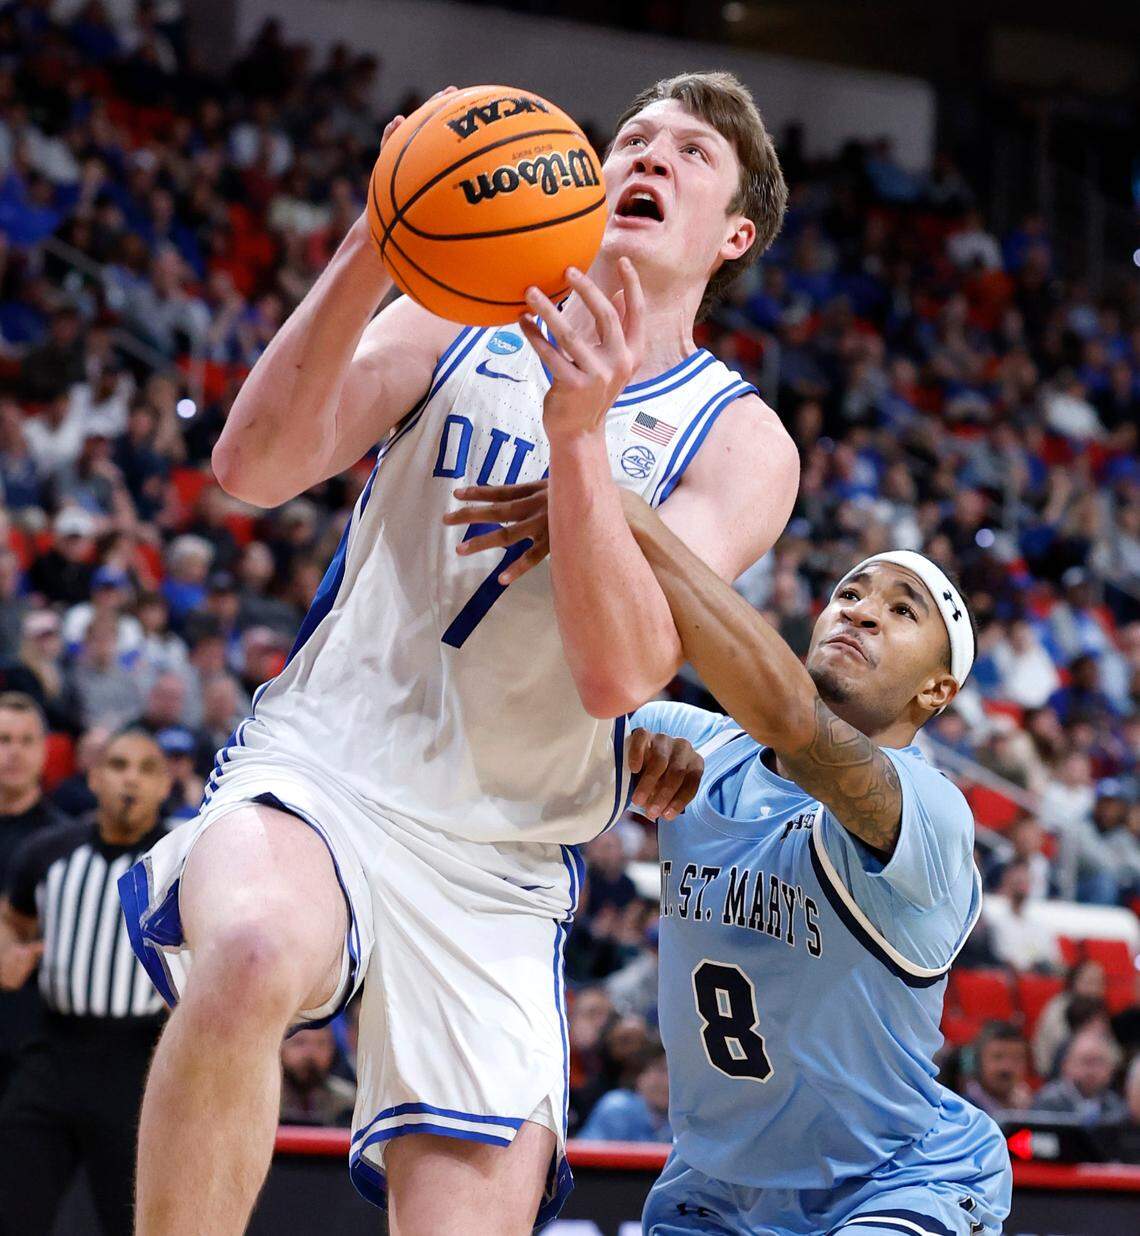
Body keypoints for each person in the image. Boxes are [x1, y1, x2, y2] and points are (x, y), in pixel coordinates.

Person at [118, 71, 794, 1236]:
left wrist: (578, 450)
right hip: (330, 764)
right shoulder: (462, 312)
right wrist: (373, 245)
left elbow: (619, 674)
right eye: (632, 137)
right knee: (251, 951)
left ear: (735, 235)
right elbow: (251, 469)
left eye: (691, 152)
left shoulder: (740, 439)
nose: (648, 155)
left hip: (502, 854)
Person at [457, 493, 1010, 1231]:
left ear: (937, 690)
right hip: (716, 1184)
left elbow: (794, 722)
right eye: (849, 594)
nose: (862, 613)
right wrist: (615, 749)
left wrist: (636, 524)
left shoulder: (933, 811)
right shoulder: (697, 740)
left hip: (895, 1177)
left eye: (902, 610)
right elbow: (523, 716)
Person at [0, 728, 171, 1235]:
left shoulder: (183, 862)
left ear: (165, 786)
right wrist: (9, 951)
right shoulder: (47, 853)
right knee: (13, 1213)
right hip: (53, 1050)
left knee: (134, 1223)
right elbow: (14, 918)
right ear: (93, 777)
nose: (130, 779)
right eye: (118, 765)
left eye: (146, 769)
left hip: (138, 1064)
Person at [0, 694, 64, 1095]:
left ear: (43, 751)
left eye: (26, 741)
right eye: (4, 740)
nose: (14, 752)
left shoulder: (64, 841)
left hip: (31, 1035)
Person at [578, 1041, 672, 1143]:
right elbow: (588, 1150)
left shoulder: (680, 1119)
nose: (668, 1082)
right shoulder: (617, 1107)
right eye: (661, 1071)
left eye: (675, 1074)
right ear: (640, 1074)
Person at [1033, 1027, 1127, 1125]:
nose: (1091, 1071)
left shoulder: (1116, 1107)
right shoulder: (1047, 1102)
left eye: (1099, 1062)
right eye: (1085, 1061)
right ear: (1066, 1065)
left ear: (1111, 1068)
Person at [278, 1024, 356, 1128]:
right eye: (299, 1042)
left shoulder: (347, 1102)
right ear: (279, 1049)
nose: (311, 1053)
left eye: (321, 1044)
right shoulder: (264, 1101)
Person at [962, 1022, 1034, 1118]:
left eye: (1016, 1058)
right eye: (997, 1057)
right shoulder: (962, 1110)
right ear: (978, 1061)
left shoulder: (1033, 1108)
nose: (1007, 1067)